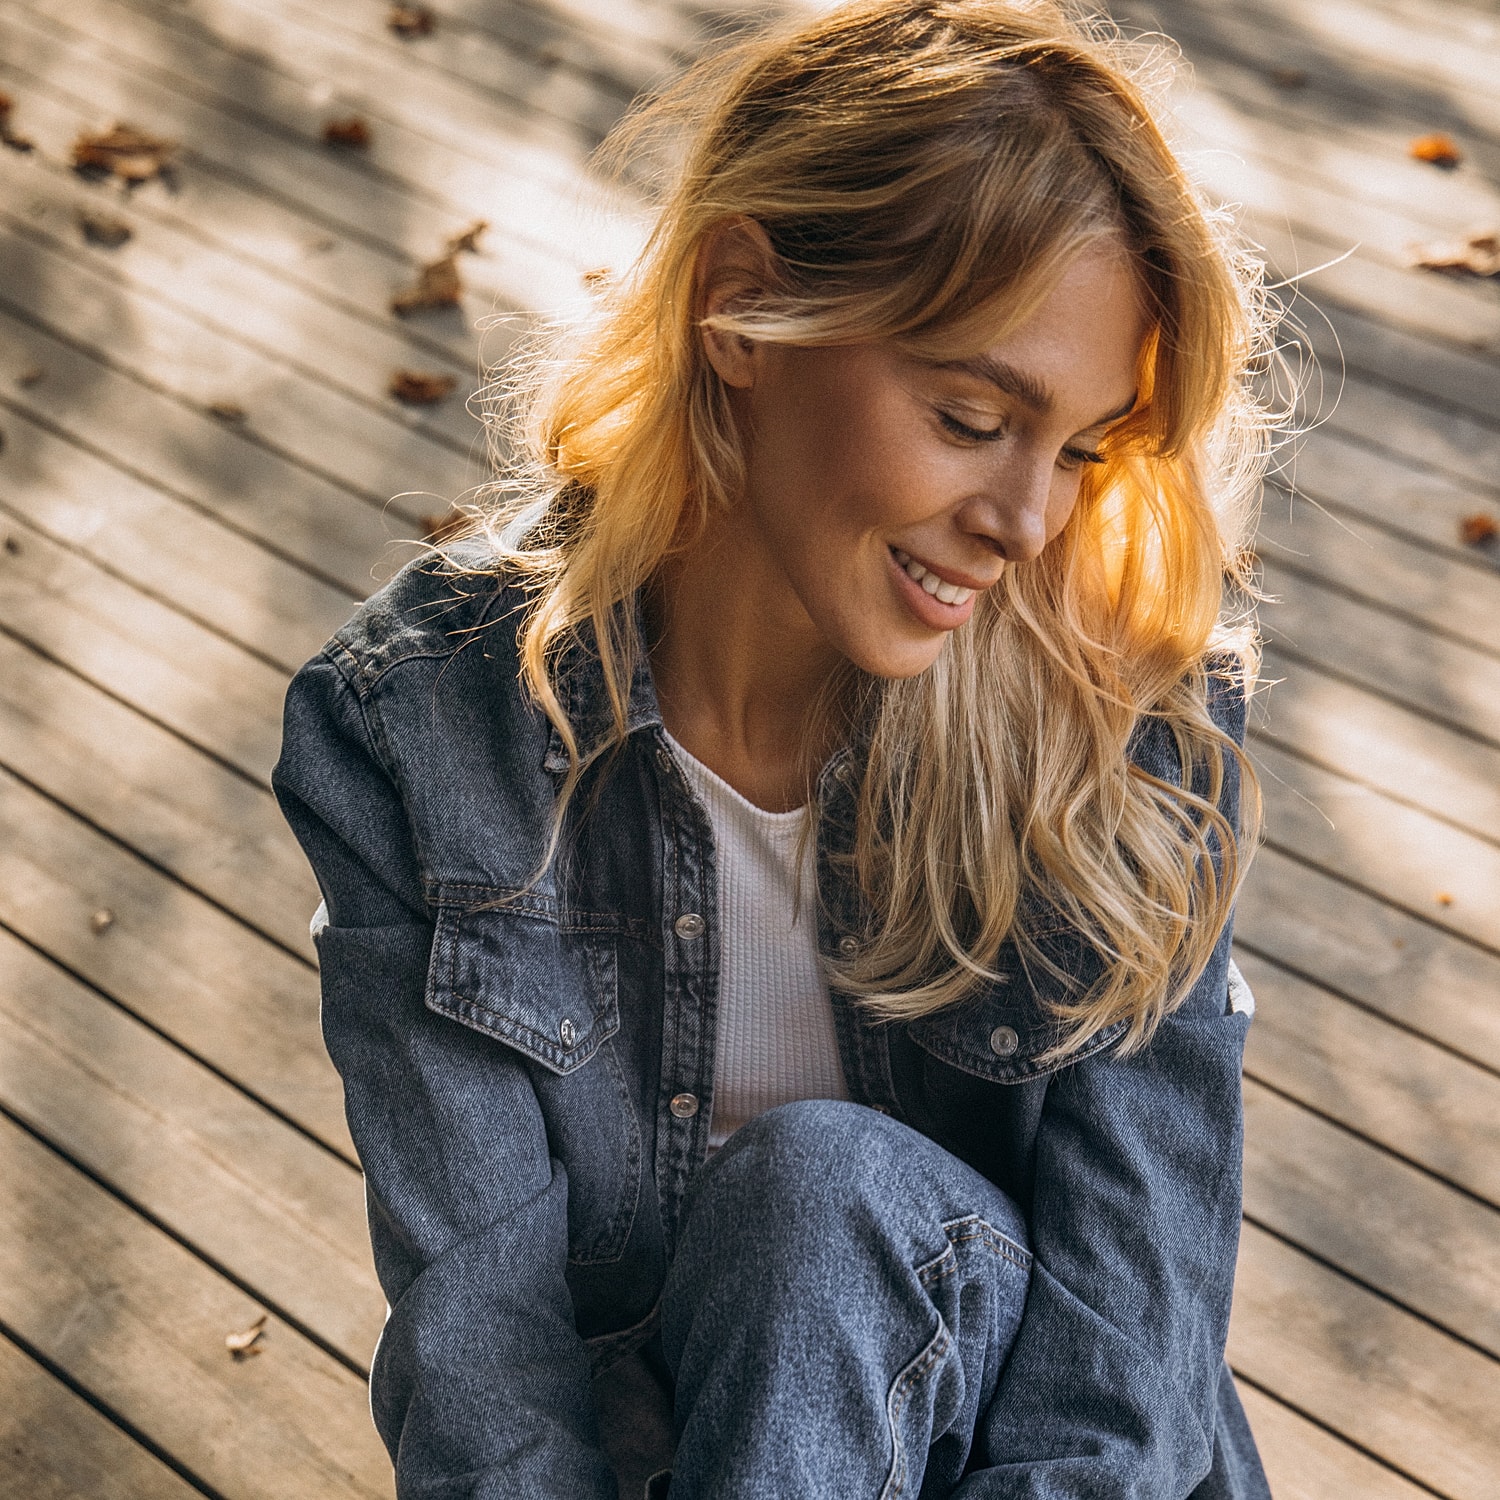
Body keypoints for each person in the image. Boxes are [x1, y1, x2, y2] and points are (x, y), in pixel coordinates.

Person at [273, 1, 1278, 1495]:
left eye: (1077, 447)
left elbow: (1124, 1388)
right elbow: (484, 1364)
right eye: (967, 414)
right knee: (801, 1214)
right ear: (740, 312)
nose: (1027, 520)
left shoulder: (1121, 716)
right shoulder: (422, 734)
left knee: (824, 1197)